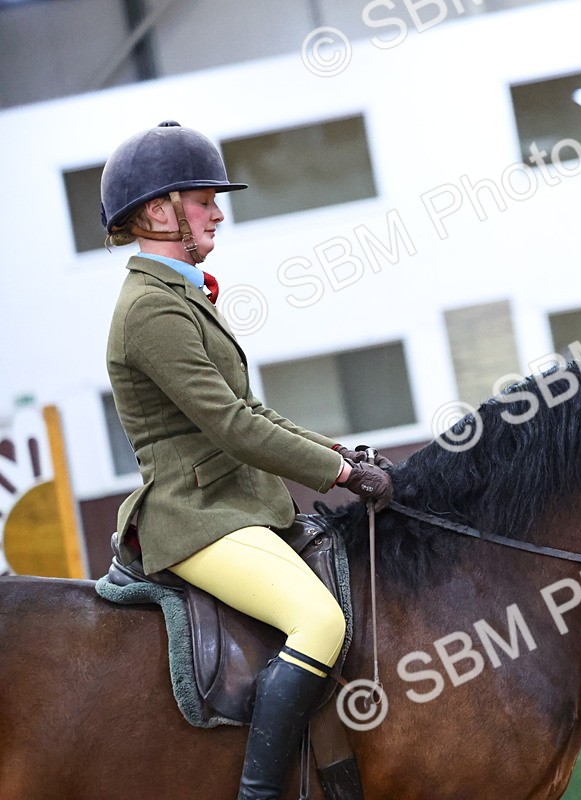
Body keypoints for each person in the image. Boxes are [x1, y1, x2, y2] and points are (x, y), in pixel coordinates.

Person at [101, 121, 393, 799]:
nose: (217, 213)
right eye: (204, 200)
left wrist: (339, 453)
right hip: (195, 514)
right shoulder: (149, 309)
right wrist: (343, 477)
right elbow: (232, 426)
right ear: (157, 211)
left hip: (237, 503)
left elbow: (252, 409)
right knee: (319, 621)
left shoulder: (179, 294)